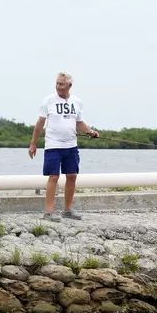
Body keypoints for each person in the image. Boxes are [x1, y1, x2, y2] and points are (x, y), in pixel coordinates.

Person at [29, 72, 99, 222]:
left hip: (71, 146)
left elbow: (79, 122)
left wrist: (90, 131)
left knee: (72, 176)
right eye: (57, 83)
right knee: (53, 177)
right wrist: (33, 143)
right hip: (53, 145)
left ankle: (67, 210)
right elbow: (40, 123)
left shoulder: (77, 101)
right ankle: (48, 212)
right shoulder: (48, 100)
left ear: (69, 85)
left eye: (61, 84)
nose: (58, 87)